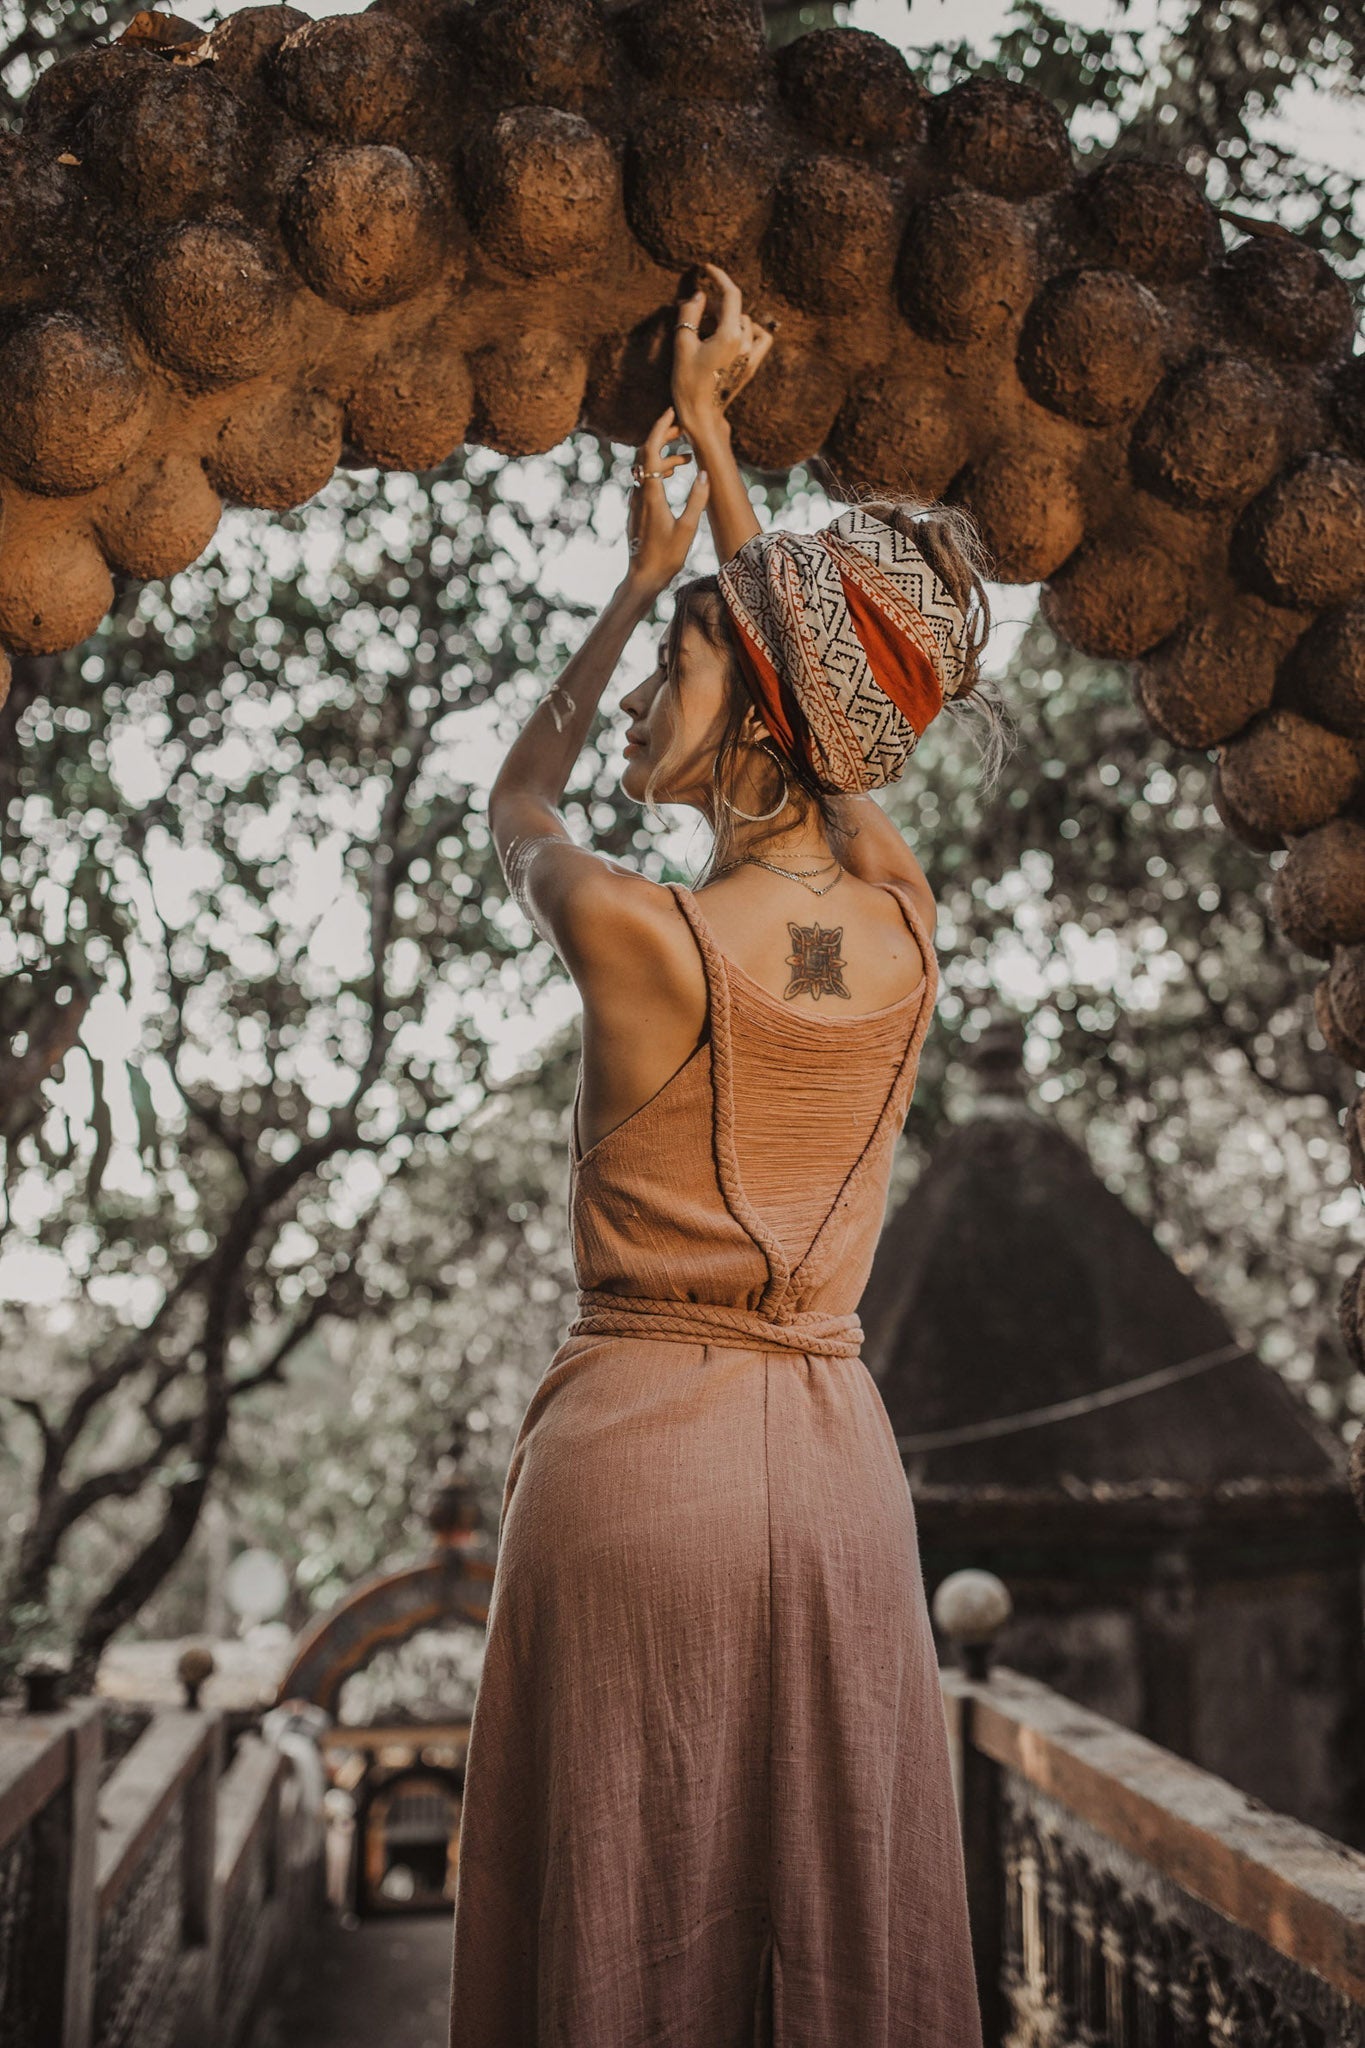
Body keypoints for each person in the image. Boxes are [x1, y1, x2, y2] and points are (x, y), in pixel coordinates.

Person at [448, 264, 999, 2047]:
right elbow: (833, 735)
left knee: (613, 1932)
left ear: (755, 703)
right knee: (833, 1935)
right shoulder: (908, 937)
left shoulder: (636, 936)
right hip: (837, 1487)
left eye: (682, 656)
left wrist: (626, 576)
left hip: (634, 1473)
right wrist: (722, 453)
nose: (639, 698)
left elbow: (510, 803)